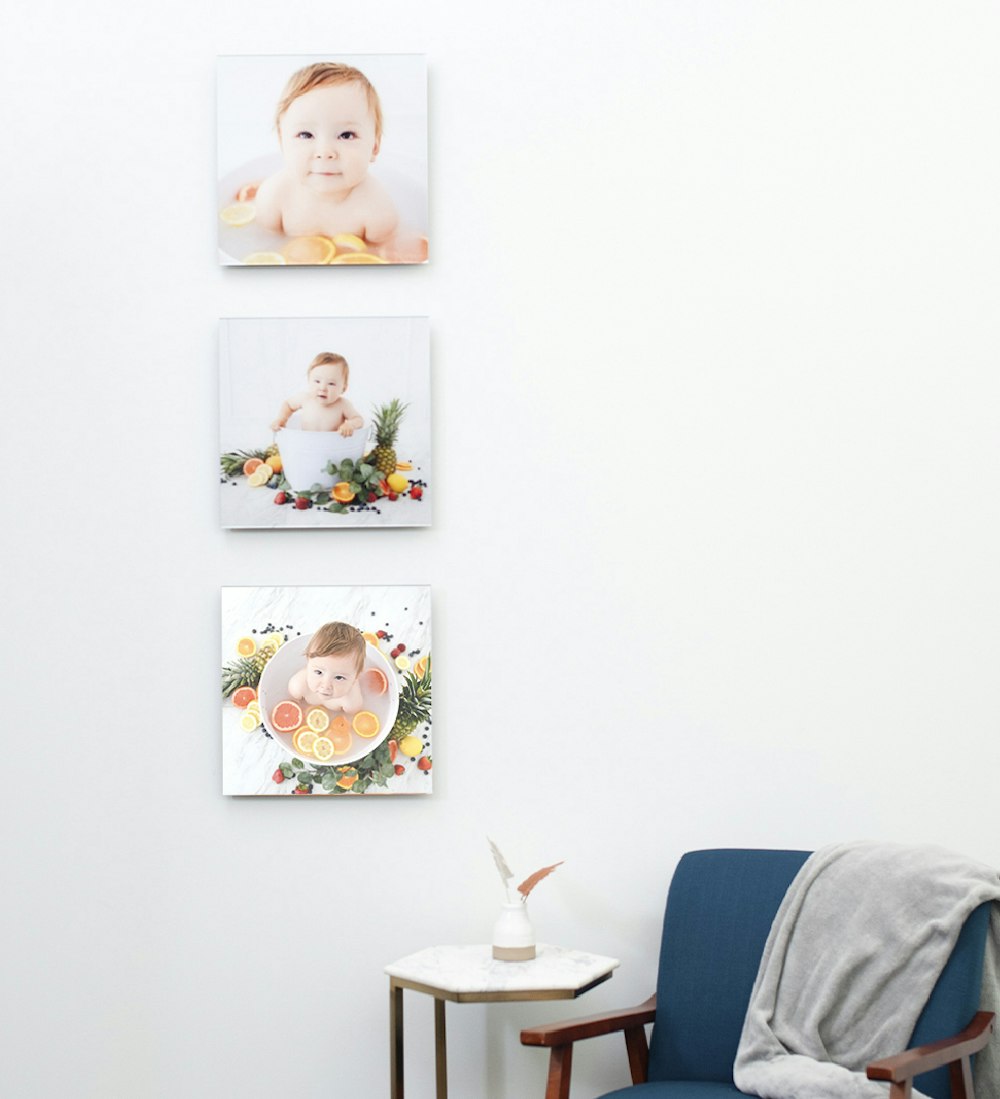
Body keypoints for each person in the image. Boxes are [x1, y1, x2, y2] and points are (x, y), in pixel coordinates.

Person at [254, 61, 425, 260]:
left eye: (346, 135)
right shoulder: (273, 197)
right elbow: (262, 247)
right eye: (306, 135)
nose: (325, 152)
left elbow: (385, 258)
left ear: (374, 147)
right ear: (282, 143)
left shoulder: (377, 209)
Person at [270, 352, 364, 434]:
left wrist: (350, 425)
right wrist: (282, 419)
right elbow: (288, 405)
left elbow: (358, 420)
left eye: (331, 383)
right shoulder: (305, 399)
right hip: (308, 446)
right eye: (317, 381)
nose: (322, 388)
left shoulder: (343, 404)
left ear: (343, 388)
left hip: (333, 448)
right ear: (309, 381)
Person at [288, 622, 365, 714]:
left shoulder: (351, 702)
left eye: (339, 677)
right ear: (308, 661)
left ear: (356, 677)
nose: (326, 685)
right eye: (319, 672)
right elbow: (291, 706)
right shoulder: (298, 687)